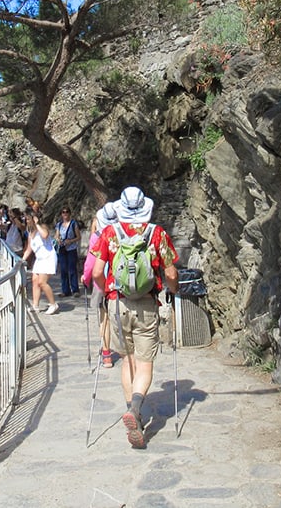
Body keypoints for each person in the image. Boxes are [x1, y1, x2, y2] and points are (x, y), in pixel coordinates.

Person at [92, 186, 179, 449]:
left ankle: (134, 414)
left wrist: (106, 293)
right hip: (146, 305)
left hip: (117, 303)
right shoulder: (157, 234)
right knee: (144, 364)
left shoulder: (110, 233)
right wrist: (172, 291)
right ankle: (137, 409)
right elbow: (171, 274)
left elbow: (97, 271)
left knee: (127, 362)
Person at [81, 202, 118, 368]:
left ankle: (106, 354)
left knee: (104, 318)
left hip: (101, 282)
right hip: (119, 282)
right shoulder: (121, 234)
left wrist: (86, 278)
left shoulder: (97, 236)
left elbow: (91, 261)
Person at [21, 207, 59, 315]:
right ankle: (35, 305)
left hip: (48, 257)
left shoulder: (42, 227)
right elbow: (29, 248)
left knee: (42, 282)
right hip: (39, 259)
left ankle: (53, 304)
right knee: (34, 281)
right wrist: (22, 260)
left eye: (28, 219)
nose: (26, 221)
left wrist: (37, 224)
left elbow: (45, 235)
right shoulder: (30, 232)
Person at [55, 206, 82, 297]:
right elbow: (56, 235)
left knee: (72, 269)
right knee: (63, 269)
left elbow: (78, 237)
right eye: (63, 212)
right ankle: (65, 290)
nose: (65, 214)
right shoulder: (59, 225)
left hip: (71, 249)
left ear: (69, 213)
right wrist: (58, 239)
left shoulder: (73, 224)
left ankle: (75, 290)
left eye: (66, 212)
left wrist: (70, 241)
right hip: (62, 248)